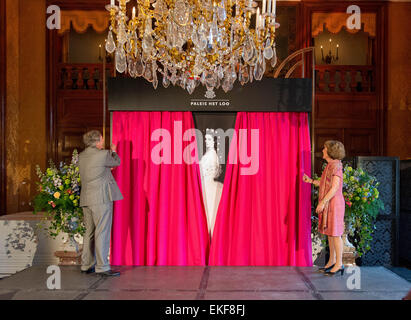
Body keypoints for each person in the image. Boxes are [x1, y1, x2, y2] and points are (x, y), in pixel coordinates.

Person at [78, 130, 123, 276]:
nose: (103, 141)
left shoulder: (81, 156)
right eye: (102, 139)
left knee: (89, 232)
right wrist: (114, 151)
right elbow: (117, 162)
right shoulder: (103, 154)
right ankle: (102, 267)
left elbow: (97, 169)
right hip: (101, 198)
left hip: (86, 198)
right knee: (102, 231)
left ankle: (86, 265)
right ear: (97, 141)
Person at [303, 140, 346, 276]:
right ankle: (332, 261)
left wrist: (322, 202)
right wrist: (310, 181)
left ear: (330, 151)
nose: (322, 150)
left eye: (324, 148)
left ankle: (339, 264)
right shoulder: (329, 166)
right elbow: (324, 184)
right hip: (329, 203)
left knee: (335, 234)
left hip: (334, 203)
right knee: (330, 233)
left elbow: (334, 187)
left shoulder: (336, 166)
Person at [199, 130, 223, 238]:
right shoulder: (209, 154)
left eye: (209, 139)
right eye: (206, 139)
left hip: (209, 186)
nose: (206, 141)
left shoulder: (212, 155)